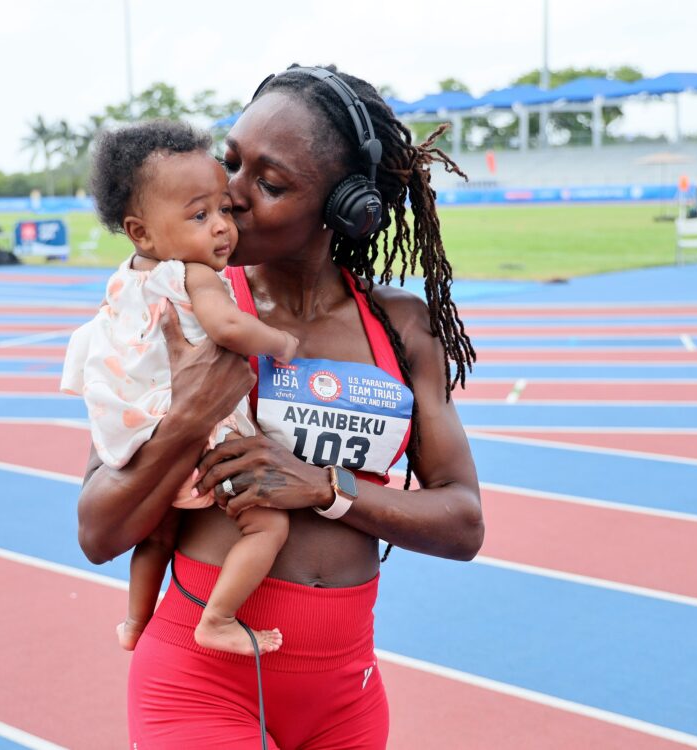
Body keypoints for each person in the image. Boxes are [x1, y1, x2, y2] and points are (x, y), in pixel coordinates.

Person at [76, 65, 483, 750]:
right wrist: (189, 417)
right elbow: (98, 530)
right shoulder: (172, 308)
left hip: (345, 694)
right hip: (200, 677)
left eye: (268, 184)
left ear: (346, 207)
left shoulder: (401, 329)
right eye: (229, 161)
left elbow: (463, 521)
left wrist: (326, 489)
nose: (228, 197)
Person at [61, 121, 299, 656]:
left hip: (143, 426)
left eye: (223, 209)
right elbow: (229, 329)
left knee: (157, 535)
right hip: (206, 427)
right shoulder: (195, 274)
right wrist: (281, 342)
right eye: (199, 215)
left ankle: (133, 622)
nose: (221, 228)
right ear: (142, 231)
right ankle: (218, 618)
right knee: (267, 526)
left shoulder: (124, 277)